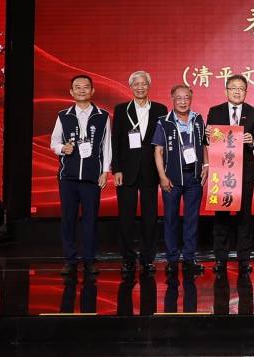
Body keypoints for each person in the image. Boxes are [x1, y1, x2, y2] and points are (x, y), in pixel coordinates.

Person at [49, 74, 111, 276]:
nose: (82, 90)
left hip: (92, 178)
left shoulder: (102, 116)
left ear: (92, 91)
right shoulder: (63, 115)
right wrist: (62, 148)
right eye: (77, 87)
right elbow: (54, 142)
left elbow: (107, 146)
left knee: (90, 220)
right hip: (68, 177)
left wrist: (105, 172)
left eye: (86, 87)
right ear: (71, 92)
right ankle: (70, 259)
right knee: (68, 219)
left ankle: (89, 260)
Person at [111, 71, 168, 276]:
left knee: (150, 218)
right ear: (131, 87)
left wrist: (163, 171)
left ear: (149, 86)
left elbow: (164, 143)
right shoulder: (121, 109)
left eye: (144, 83)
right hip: (126, 171)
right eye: (136, 84)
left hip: (151, 170)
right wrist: (116, 169)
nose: (140, 87)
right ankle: (127, 259)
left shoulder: (160, 109)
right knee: (126, 217)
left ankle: (147, 259)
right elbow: (115, 141)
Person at [206, 74, 254, 274]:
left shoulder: (253, 112)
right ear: (226, 91)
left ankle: (244, 259)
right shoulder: (215, 111)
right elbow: (207, 138)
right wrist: (207, 135)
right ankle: (220, 258)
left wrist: (251, 139)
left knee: (244, 216)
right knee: (221, 215)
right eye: (234, 88)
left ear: (246, 92)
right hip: (222, 172)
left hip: (245, 171)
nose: (238, 92)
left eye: (241, 89)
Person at [153, 84, 208, 275]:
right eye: (179, 98)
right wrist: (162, 176)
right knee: (171, 219)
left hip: (194, 178)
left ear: (191, 99)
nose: (183, 102)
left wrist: (206, 166)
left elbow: (204, 144)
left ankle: (189, 258)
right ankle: (172, 259)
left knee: (192, 219)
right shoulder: (164, 122)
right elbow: (158, 151)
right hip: (172, 178)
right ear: (172, 99)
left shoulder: (198, 119)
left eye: (186, 98)